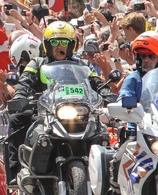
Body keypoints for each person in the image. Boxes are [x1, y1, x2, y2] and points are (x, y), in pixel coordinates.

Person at [6, 22, 103, 186]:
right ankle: (17, 172)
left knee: (103, 133)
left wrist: (108, 95)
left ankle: (106, 178)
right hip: (47, 112)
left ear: (72, 45)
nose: (60, 47)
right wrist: (21, 96)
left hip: (80, 112)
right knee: (18, 118)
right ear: (47, 45)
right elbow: (24, 84)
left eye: (64, 42)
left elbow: (97, 84)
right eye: (55, 42)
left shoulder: (83, 65)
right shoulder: (37, 63)